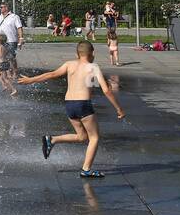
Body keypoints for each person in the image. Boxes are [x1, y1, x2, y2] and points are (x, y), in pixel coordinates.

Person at [18, 40, 125, 179]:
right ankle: (86, 169)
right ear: (92, 53)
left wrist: (30, 80)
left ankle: (52, 139)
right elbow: (106, 90)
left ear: (77, 53)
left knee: (82, 137)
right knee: (94, 137)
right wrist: (119, 109)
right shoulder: (93, 67)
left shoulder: (69, 64)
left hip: (69, 104)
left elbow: (51, 74)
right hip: (83, 104)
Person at [0, 2, 24, 73]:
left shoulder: (14, 17)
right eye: (0, 7)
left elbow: (19, 27)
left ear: (6, 8)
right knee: (3, 57)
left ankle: (15, 72)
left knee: (11, 57)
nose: (0, 9)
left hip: (12, 41)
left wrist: (21, 38)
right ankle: (6, 72)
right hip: (2, 41)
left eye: (1, 7)